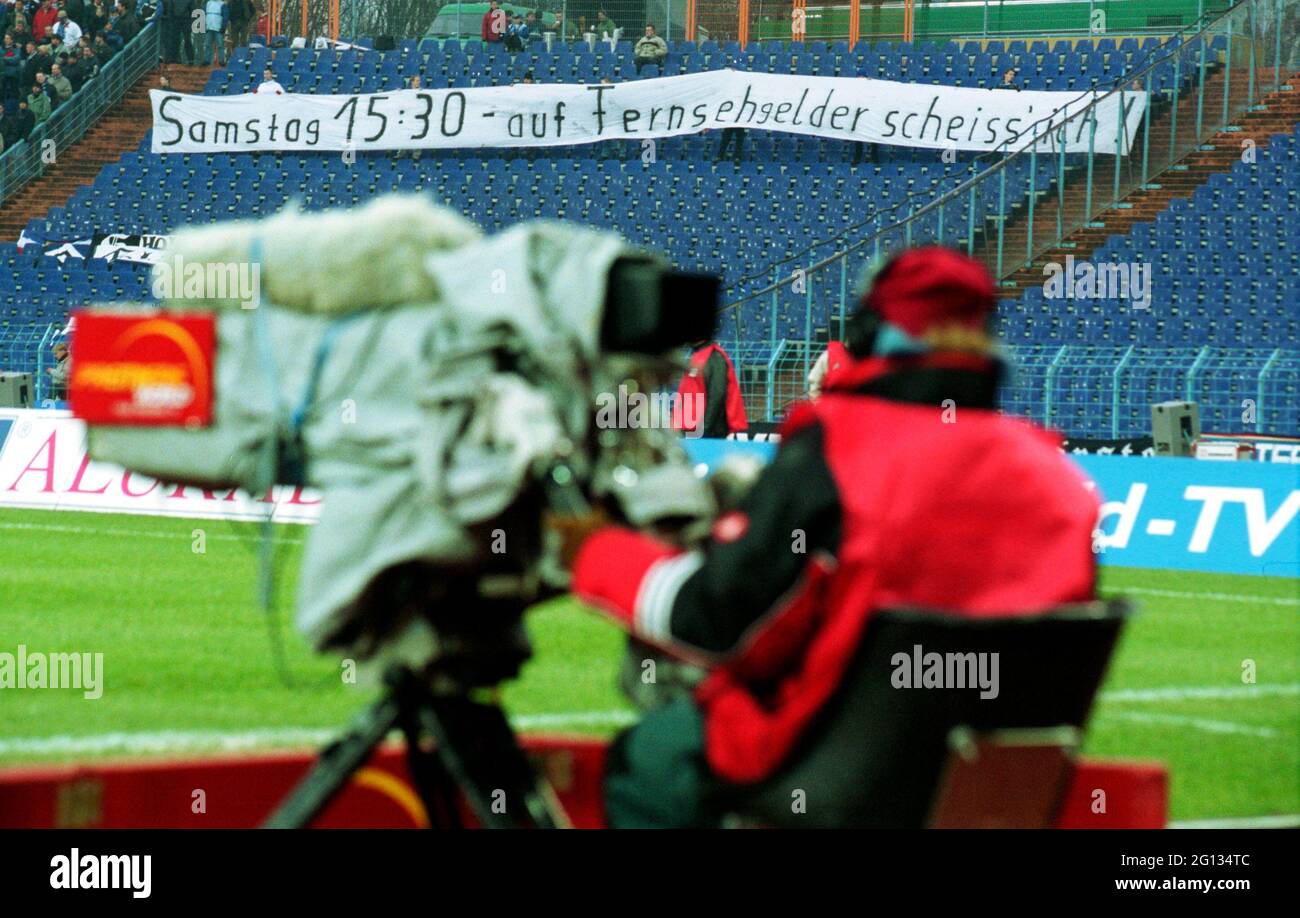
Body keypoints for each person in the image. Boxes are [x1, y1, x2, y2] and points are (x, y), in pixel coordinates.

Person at [558, 247, 1100, 828]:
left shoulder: (838, 448)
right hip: (998, 789)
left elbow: (717, 619)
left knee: (649, 765)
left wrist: (592, 549)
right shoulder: (1062, 481)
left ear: (869, 331)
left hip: (838, 777)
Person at [674, 340, 748, 439]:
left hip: (706, 431)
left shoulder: (714, 357)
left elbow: (717, 395)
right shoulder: (701, 356)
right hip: (693, 429)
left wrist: (704, 429)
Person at [199, 0, 226, 66]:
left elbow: (225, 16)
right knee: (208, 45)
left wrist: (223, 27)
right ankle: (207, 60)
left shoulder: (222, 4)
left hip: (218, 27)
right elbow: (203, 14)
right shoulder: (208, 3)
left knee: (220, 45)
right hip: (209, 27)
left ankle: (221, 60)